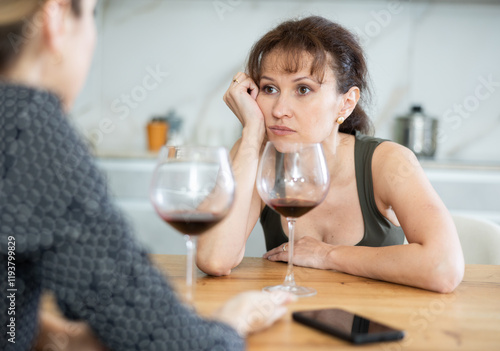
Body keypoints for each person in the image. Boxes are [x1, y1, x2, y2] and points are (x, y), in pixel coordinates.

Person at [0, 1, 295, 350]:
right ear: (56, 17)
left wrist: (52, 335)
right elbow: (171, 343)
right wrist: (233, 320)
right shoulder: (29, 131)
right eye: (92, 15)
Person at [196, 15, 465, 293]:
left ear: (346, 104)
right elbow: (214, 259)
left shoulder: (388, 162)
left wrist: (325, 255)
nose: (279, 109)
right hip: (287, 324)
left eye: (303, 89)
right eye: (270, 88)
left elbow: (443, 267)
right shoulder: (256, 155)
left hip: (375, 325)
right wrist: (252, 134)